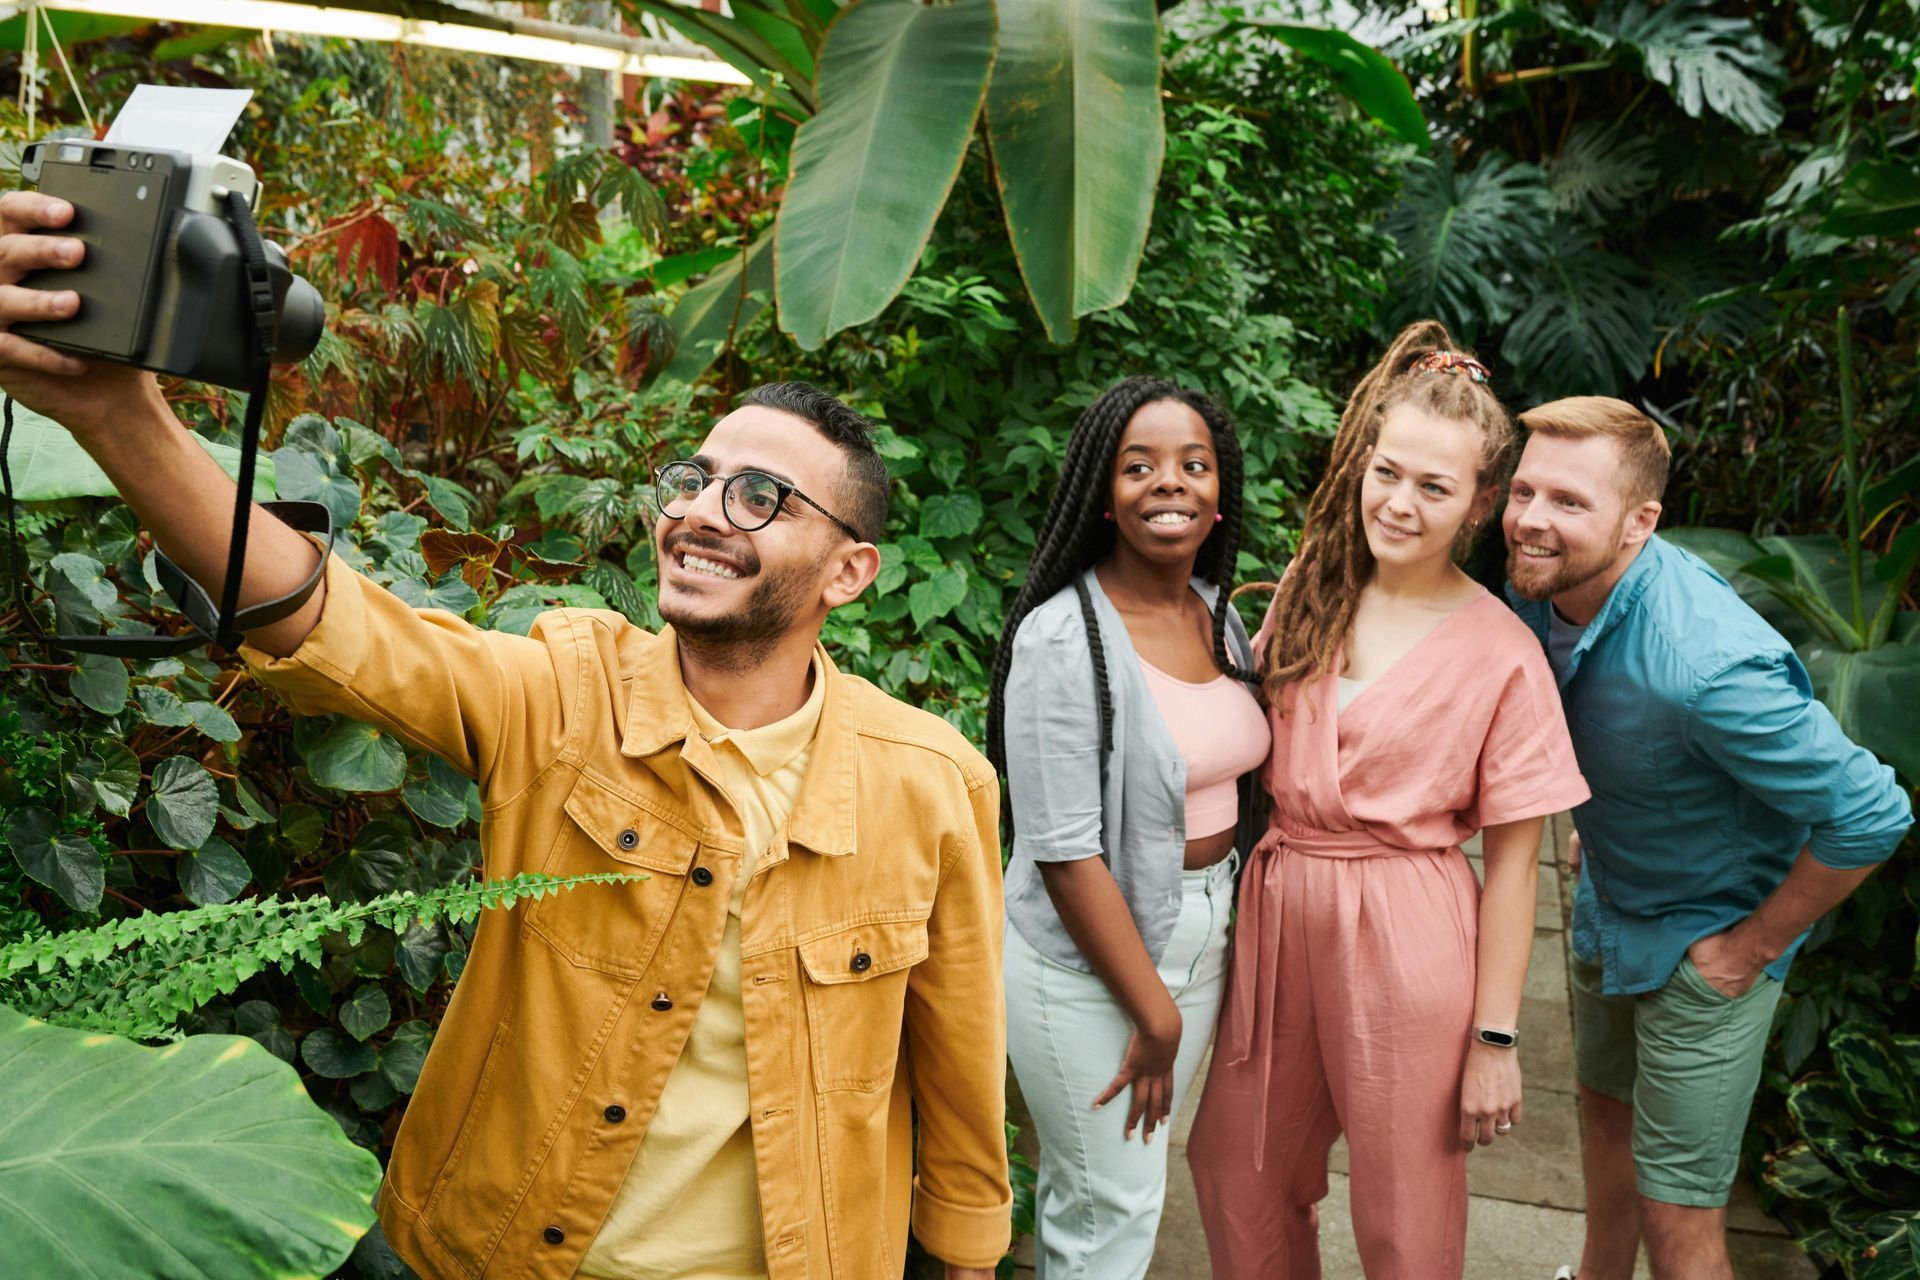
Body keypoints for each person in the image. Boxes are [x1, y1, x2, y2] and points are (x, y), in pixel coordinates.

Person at [0, 191, 1011, 1280]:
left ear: (850, 569)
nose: (704, 510)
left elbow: (959, 1083)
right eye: (694, 479)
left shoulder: (933, 784)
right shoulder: (561, 698)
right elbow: (339, 626)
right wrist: (119, 418)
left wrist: (964, 1259)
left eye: (763, 495)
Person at [1187, 322, 1592, 1279]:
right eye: (1388, 472)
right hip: (1281, 910)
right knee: (1235, 1167)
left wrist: (1496, 1038)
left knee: (1404, 1210)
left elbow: (1516, 869)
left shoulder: (1503, 653)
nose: (1399, 503)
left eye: (1434, 487)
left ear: (1481, 504)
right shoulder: (1310, 590)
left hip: (1409, 929)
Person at [1501, 397, 1914, 1280]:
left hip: (1706, 943)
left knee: (1679, 1210)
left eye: (1568, 501)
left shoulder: (1708, 665)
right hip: (1610, 897)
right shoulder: (1545, 582)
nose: (1532, 519)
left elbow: (1873, 811)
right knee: (1605, 1111)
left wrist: (1749, 949)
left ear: (1639, 521)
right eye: (1524, 489)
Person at [985, 377, 1268, 1279]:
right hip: (1090, 959)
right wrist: (1151, 1011)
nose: (1170, 483)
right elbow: (1065, 853)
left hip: (1204, 929)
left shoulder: (1220, 616)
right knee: (1115, 1205)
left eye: (1195, 464)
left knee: (1105, 1192)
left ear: (1222, 494)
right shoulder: (1062, 640)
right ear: (1102, 497)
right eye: (1138, 466)